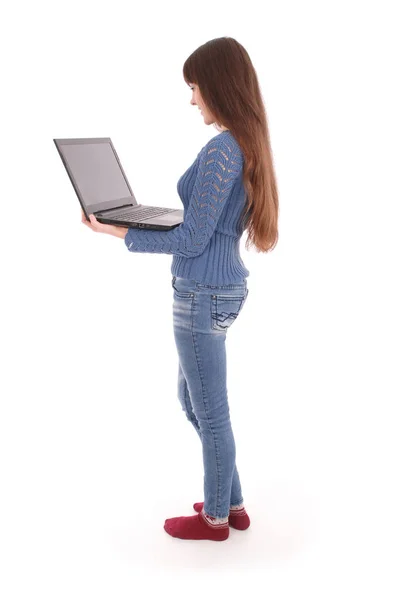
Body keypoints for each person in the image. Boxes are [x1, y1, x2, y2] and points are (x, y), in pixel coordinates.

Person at [82, 36, 279, 542]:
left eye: (194, 87)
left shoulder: (222, 150)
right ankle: (230, 503)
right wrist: (147, 222)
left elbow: (191, 239)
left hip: (203, 292)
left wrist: (119, 231)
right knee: (195, 402)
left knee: (210, 410)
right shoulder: (244, 142)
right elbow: (202, 225)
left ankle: (214, 520)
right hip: (219, 288)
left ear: (216, 85)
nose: (192, 99)